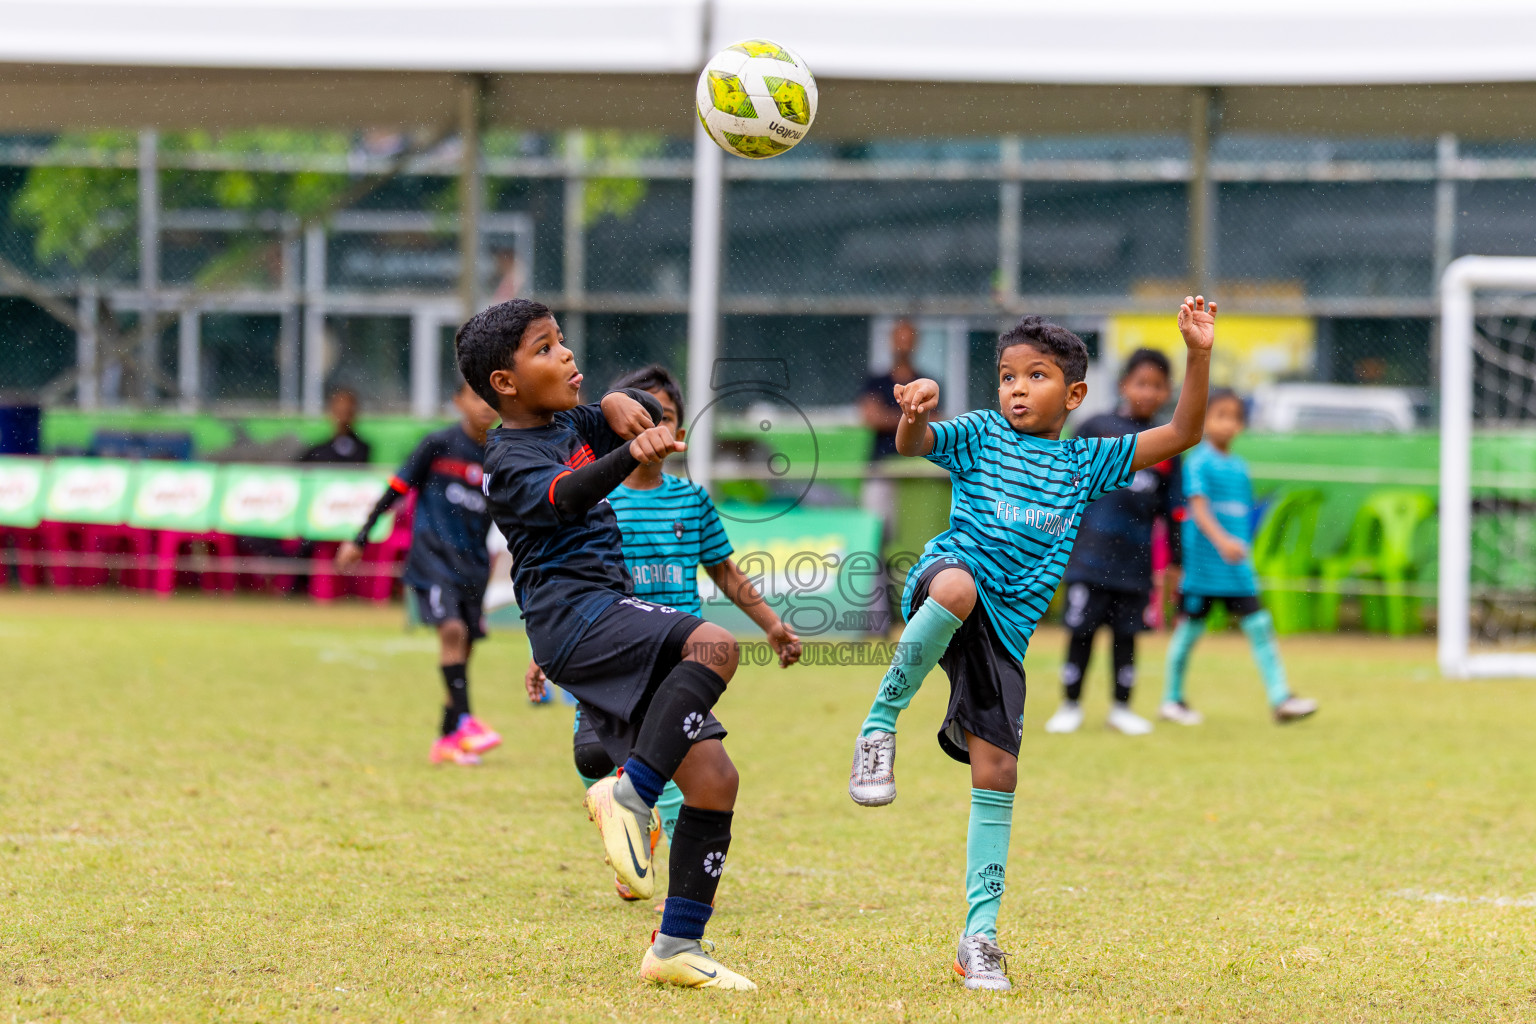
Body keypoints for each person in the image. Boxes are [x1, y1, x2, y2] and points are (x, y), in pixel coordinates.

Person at [846, 300, 1218, 992]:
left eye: (1036, 375)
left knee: (998, 774)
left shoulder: (1088, 463)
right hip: (945, 585)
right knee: (957, 589)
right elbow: (911, 445)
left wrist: (1197, 353)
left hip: (1006, 638)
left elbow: (1185, 431)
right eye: (1007, 376)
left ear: (1074, 394)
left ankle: (978, 937)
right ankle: (878, 726)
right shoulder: (981, 433)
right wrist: (915, 411)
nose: (1017, 388)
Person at [460, 298, 755, 991]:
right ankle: (631, 794)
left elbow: (620, 406)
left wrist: (624, 404)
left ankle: (676, 947)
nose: (566, 355)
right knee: (715, 646)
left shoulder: (570, 420)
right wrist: (627, 451)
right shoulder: (508, 457)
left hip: (604, 616)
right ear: (504, 383)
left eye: (562, 342)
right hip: (578, 618)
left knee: (715, 782)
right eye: (544, 348)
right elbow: (564, 495)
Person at [524, 362, 802, 902]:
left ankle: (684, 884)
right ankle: (636, 827)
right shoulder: (598, 496)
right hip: (608, 647)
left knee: (685, 762)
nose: (651, 429)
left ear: (677, 430)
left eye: (664, 418)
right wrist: (544, 654)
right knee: (592, 759)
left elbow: (724, 569)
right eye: (640, 417)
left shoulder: (690, 500)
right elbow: (563, 584)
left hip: (678, 654)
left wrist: (771, 625)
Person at [336, 381, 503, 766]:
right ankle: (466, 723)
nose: (483, 406)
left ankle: (446, 739)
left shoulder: (501, 453)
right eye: (475, 397)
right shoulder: (437, 444)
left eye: (490, 399)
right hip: (433, 559)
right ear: (458, 401)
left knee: (462, 653)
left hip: (474, 565)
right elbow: (395, 489)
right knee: (452, 632)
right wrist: (359, 538)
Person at [1045, 348, 1184, 736]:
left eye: (1157, 385)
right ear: (1124, 384)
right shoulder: (1095, 428)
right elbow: (1063, 485)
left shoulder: (1166, 441)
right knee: (1081, 632)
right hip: (1089, 556)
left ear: (1167, 391)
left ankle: (1121, 707)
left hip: (1136, 562)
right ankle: (1070, 704)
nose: (1148, 392)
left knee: (1127, 636)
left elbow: (1174, 509)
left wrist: (1176, 559)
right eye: (1141, 382)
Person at [1160, 390, 1320, 726]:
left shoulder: (1240, 467)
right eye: (1220, 415)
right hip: (1205, 569)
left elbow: (1243, 518)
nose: (1228, 424)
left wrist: (1241, 547)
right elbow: (1199, 510)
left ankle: (1281, 699)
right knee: (1189, 633)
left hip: (1236, 570)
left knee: (1260, 626)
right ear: (1204, 420)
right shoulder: (1199, 462)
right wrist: (1222, 542)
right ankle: (1171, 700)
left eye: (1235, 417)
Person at [858, 320, 925, 546]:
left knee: (912, 535)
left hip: (914, 471)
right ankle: (877, 582)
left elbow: (936, 420)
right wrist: (911, 416)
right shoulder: (877, 381)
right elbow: (870, 417)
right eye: (899, 339)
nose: (903, 346)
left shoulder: (924, 382)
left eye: (908, 340)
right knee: (874, 532)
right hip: (881, 466)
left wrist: (890, 417)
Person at [301, 388, 372, 464]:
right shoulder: (318, 451)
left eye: (347, 412)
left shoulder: (363, 450)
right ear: (331, 412)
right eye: (340, 412)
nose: (343, 419)